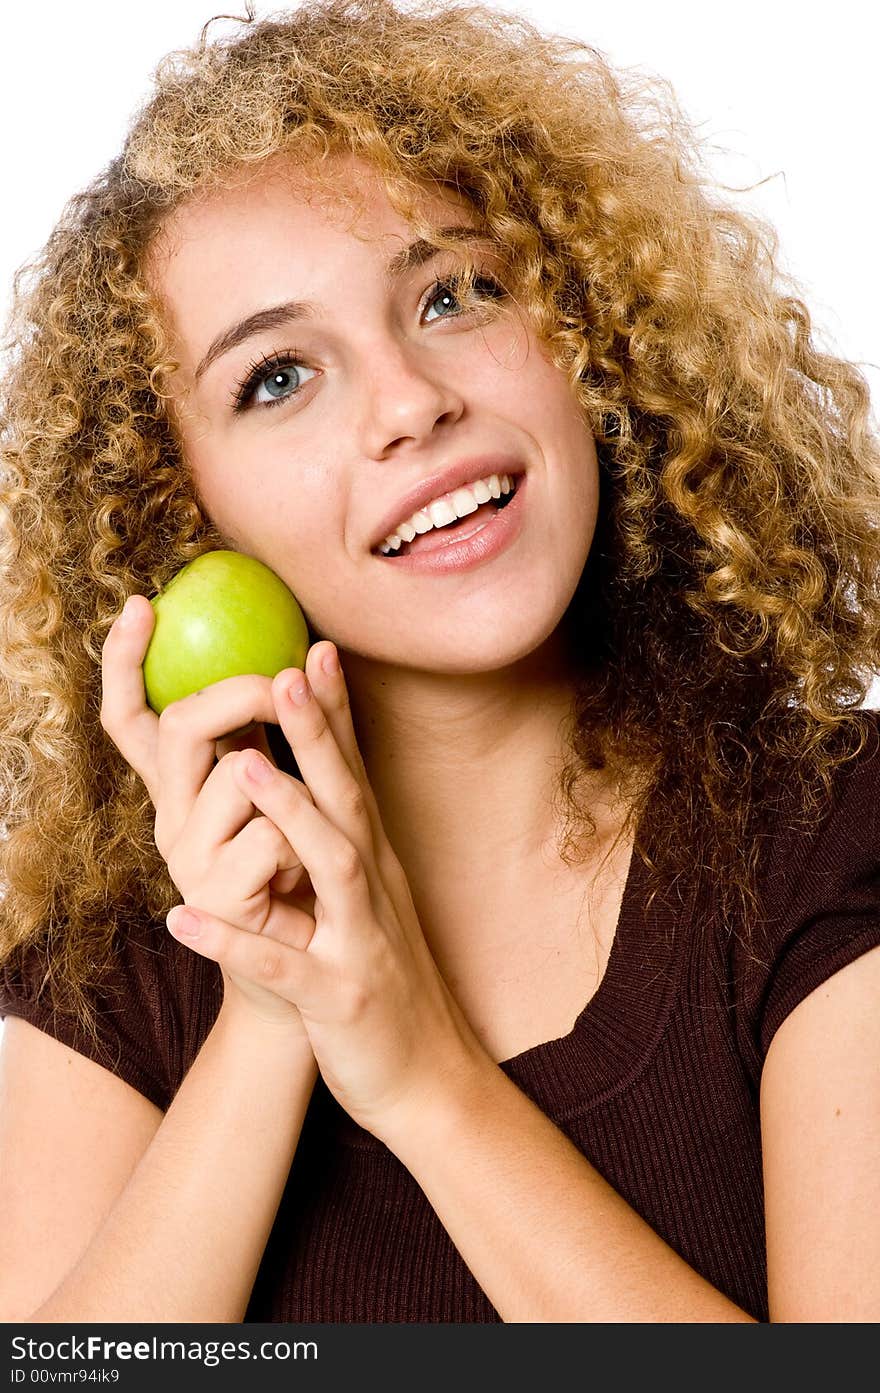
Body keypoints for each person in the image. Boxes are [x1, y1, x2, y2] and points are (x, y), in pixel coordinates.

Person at [0, 0, 878, 1325]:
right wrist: (269, 1011)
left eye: (457, 293)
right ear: (185, 518)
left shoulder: (831, 834)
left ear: (589, 331)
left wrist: (421, 1073)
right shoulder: (120, 956)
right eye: (279, 377)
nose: (413, 403)